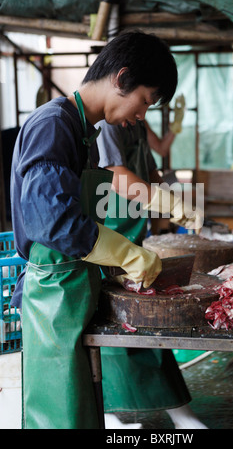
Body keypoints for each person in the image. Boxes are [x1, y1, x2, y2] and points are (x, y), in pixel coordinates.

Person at [10, 30, 179, 429]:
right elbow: (54, 221)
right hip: (53, 295)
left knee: (83, 410)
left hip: (74, 285)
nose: (141, 116)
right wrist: (127, 253)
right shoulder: (53, 126)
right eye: (143, 102)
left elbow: (88, 192)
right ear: (121, 79)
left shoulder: (83, 130)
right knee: (59, 413)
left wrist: (157, 199)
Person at [96, 117, 206, 429]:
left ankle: (180, 413)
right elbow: (118, 179)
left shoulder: (135, 123)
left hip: (133, 236)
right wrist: (164, 201)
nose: (145, 109)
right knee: (114, 326)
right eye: (145, 99)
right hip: (107, 237)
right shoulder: (109, 125)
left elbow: (150, 172)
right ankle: (108, 416)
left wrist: (176, 199)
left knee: (144, 322)